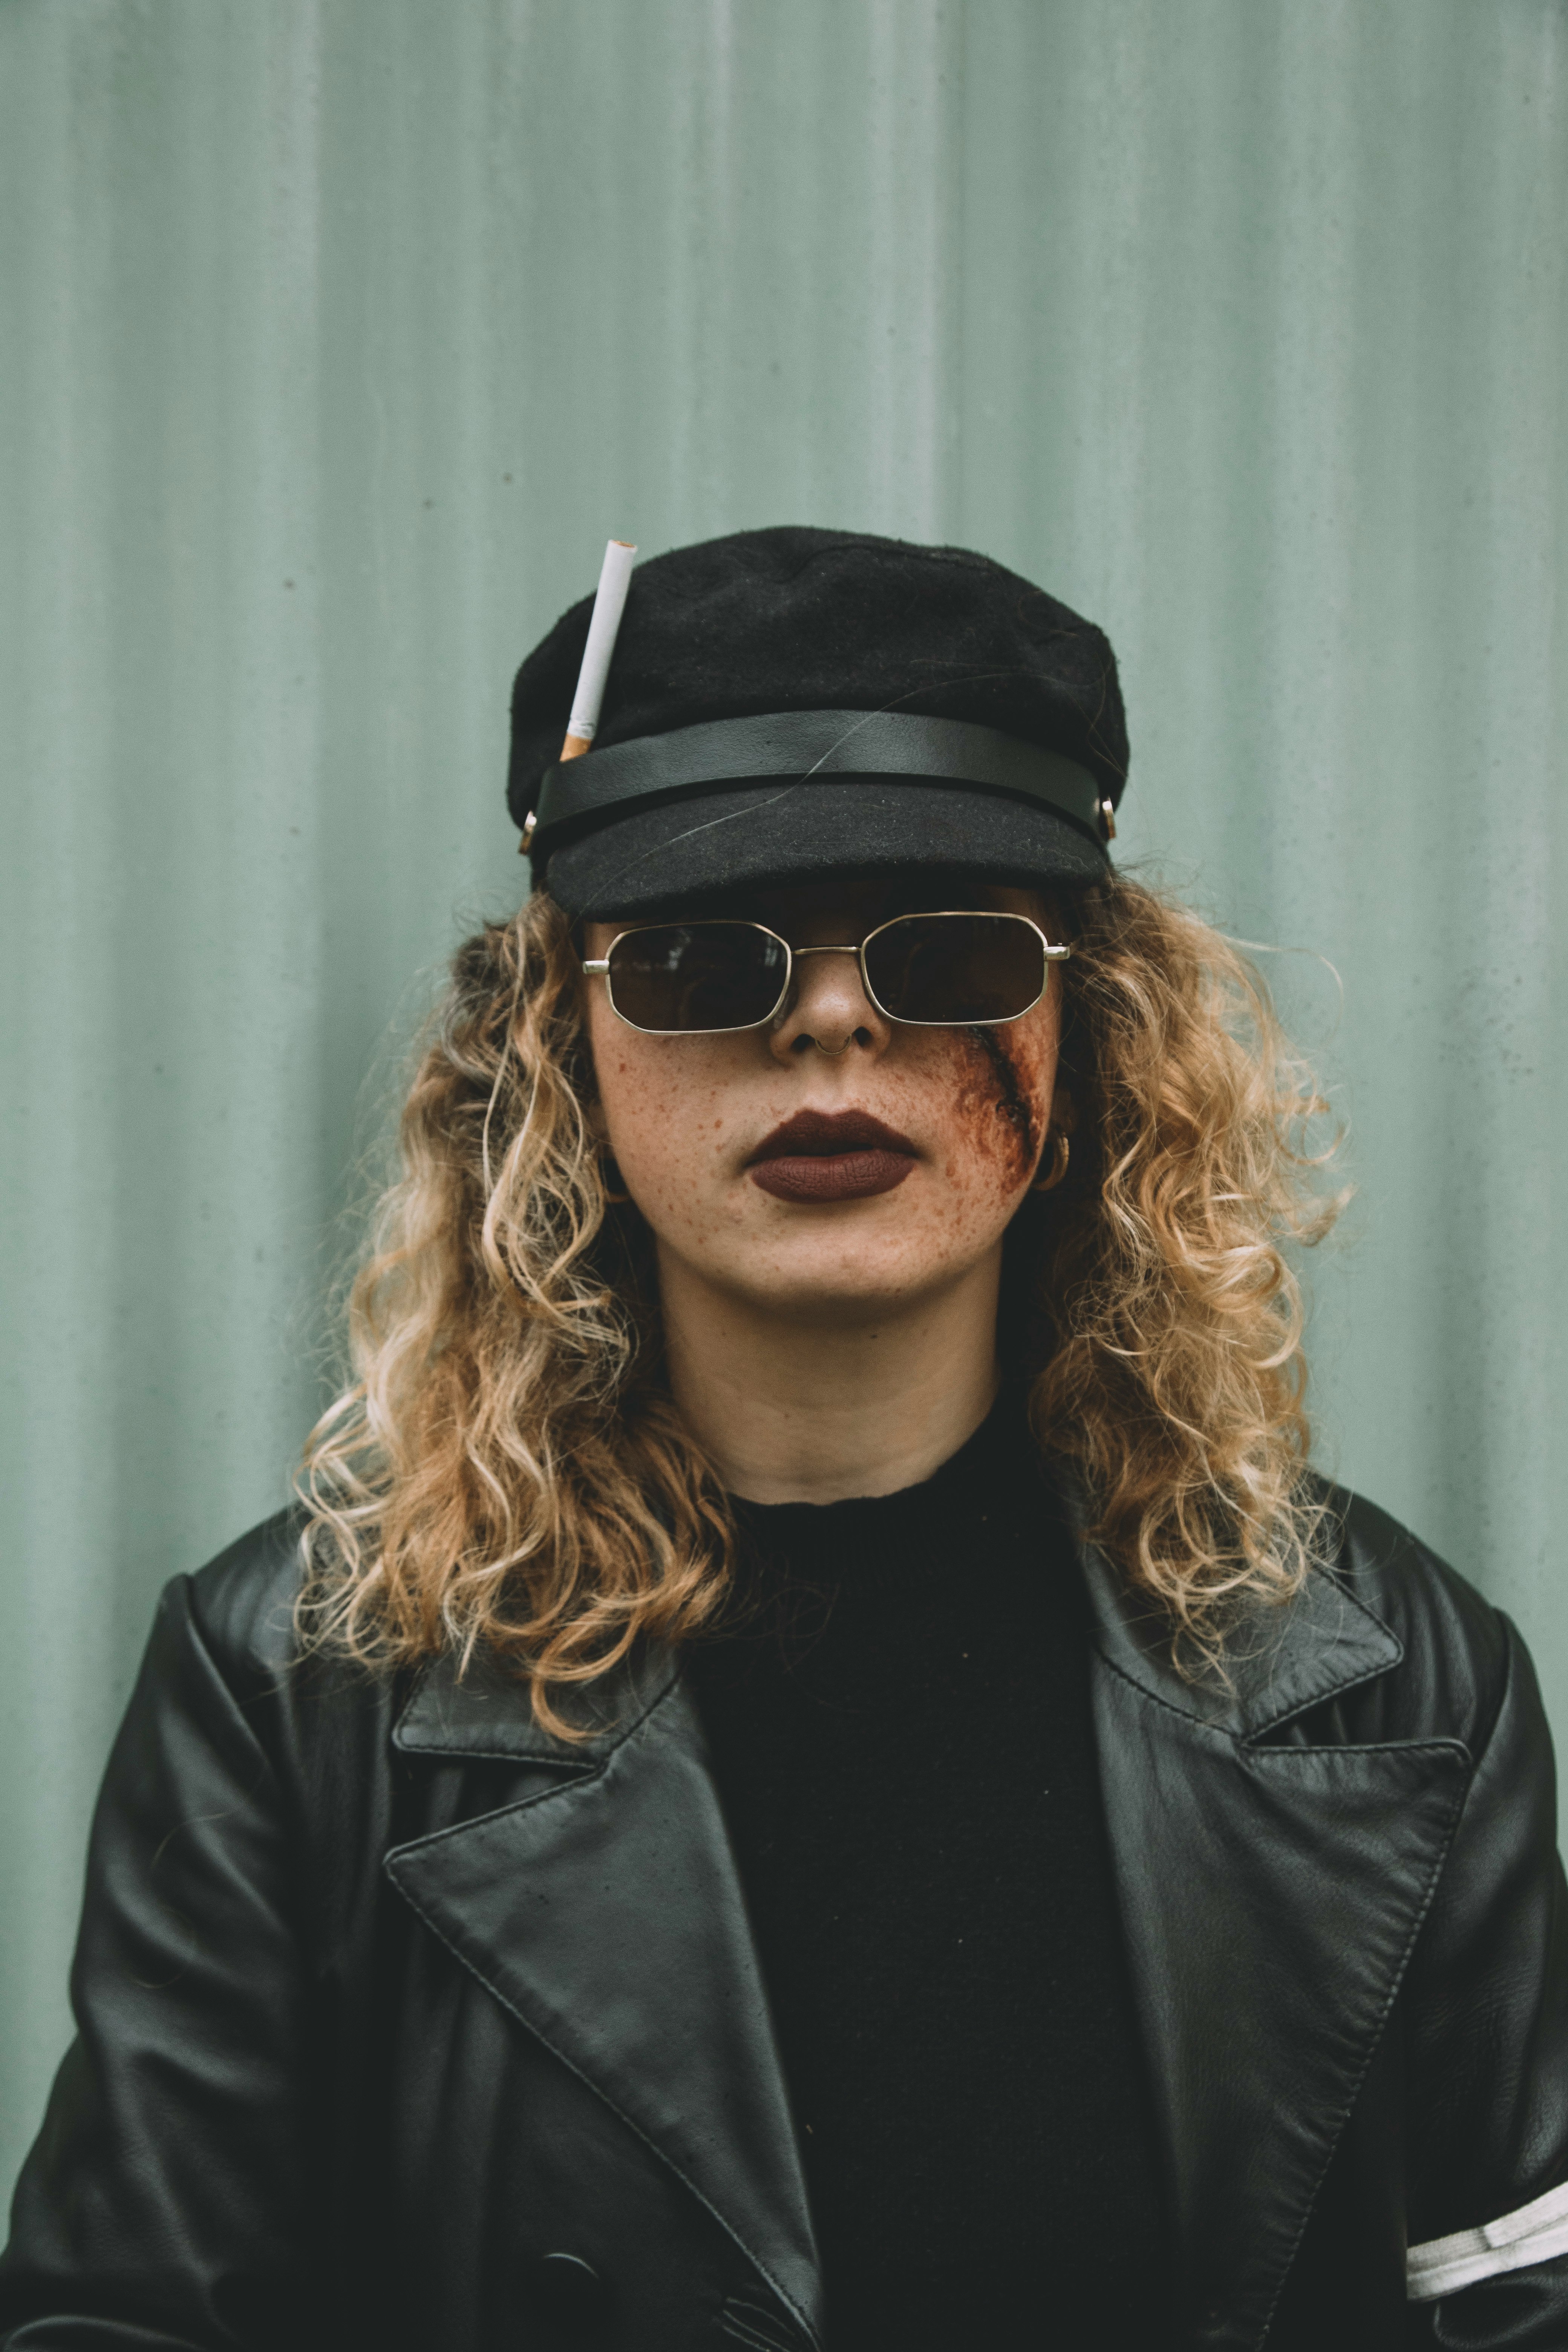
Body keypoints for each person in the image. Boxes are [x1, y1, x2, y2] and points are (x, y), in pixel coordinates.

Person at [2, 527, 1565, 2352]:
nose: (830, 1020)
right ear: (559, 1051)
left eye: (951, 950)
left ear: (1087, 1027)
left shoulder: (1390, 1687)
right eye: (694, 956)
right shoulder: (294, 1694)